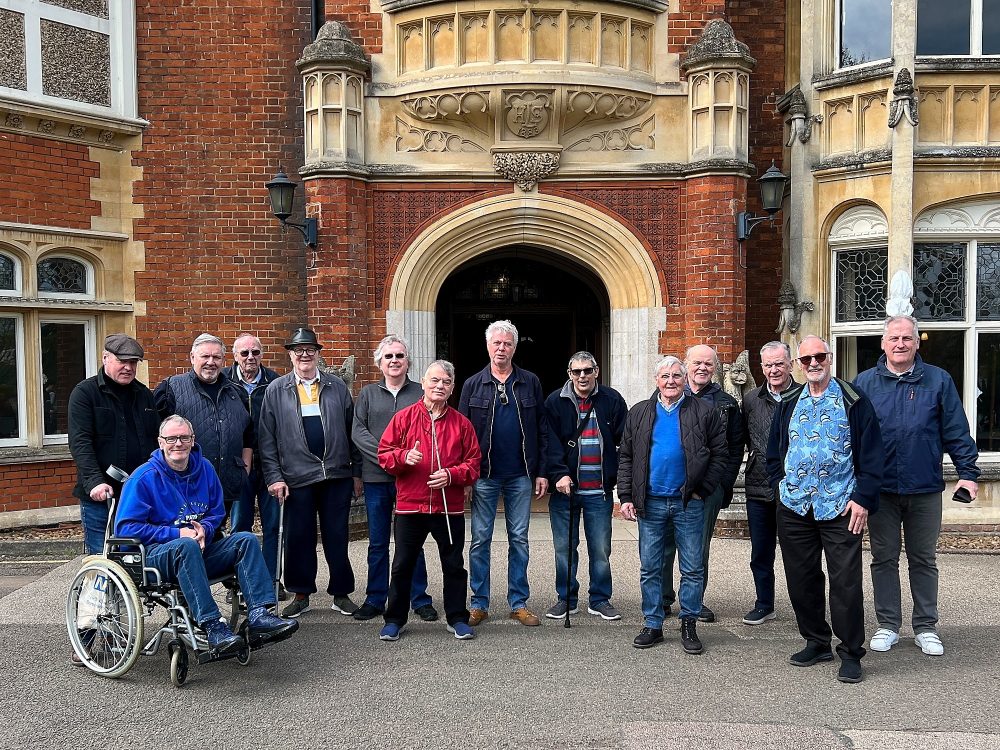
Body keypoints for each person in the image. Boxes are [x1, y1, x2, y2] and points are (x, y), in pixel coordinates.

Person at [114, 415, 298, 655]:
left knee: (245, 540)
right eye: (171, 439)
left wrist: (206, 529)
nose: (178, 443)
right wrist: (177, 532)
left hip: (196, 550)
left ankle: (259, 615)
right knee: (184, 545)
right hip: (154, 557)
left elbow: (216, 512)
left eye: (183, 438)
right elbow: (126, 528)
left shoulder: (205, 469)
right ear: (160, 442)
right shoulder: (143, 479)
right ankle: (213, 626)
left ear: (193, 440)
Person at [854, 315, 979, 657]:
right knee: (883, 558)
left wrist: (968, 471)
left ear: (917, 343)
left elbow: (956, 430)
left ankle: (925, 626)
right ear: (882, 343)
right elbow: (851, 439)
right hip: (881, 492)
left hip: (924, 488)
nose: (900, 344)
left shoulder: (938, 381)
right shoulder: (864, 384)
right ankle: (888, 625)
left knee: (923, 559)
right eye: (893, 338)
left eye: (907, 338)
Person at [766, 335, 883, 684]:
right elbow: (774, 451)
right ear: (797, 365)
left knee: (845, 582)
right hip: (795, 506)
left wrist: (863, 498)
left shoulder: (853, 400)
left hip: (840, 505)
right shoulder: (789, 401)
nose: (813, 363)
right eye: (806, 359)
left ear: (829, 358)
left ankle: (850, 652)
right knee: (801, 580)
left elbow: (873, 454)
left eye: (819, 356)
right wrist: (779, 486)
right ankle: (816, 641)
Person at [618, 356, 727, 654]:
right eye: (665, 376)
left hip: (687, 502)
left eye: (676, 376)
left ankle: (688, 622)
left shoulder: (704, 412)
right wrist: (626, 496)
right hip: (650, 503)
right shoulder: (639, 412)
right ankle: (653, 623)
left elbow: (720, 455)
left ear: (684, 379)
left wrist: (701, 490)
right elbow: (627, 456)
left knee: (692, 568)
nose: (670, 381)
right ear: (656, 380)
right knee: (650, 567)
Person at [258, 328, 362, 618]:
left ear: (318, 354)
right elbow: (267, 440)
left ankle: (341, 593)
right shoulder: (276, 390)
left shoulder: (336, 387)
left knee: (338, 536)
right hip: (296, 477)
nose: (305, 355)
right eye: (299, 350)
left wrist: (356, 473)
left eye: (310, 350)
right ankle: (301, 593)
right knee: (298, 538)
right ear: (290, 355)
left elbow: (352, 430)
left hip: (336, 475)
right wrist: (274, 477)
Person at [377, 360, 481, 641]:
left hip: (449, 507)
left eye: (446, 382)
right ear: (422, 383)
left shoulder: (462, 423)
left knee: (454, 565)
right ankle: (395, 619)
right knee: (402, 566)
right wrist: (403, 457)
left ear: (452, 388)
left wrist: (451, 474)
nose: (440, 386)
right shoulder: (403, 418)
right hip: (411, 505)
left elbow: (474, 464)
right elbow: (384, 454)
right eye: (435, 380)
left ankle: (457, 618)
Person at [459, 320, 549, 627]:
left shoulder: (530, 382)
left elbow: (541, 429)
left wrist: (541, 471)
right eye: (497, 343)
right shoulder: (473, 384)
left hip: (521, 474)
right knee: (480, 540)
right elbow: (463, 435)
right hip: (483, 475)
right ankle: (479, 603)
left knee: (519, 539)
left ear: (514, 347)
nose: (502, 348)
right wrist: (467, 476)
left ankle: (518, 603)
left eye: (507, 343)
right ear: (487, 346)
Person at [352, 335, 438, 622]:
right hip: (377, 478)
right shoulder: (367, 394)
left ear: (408, 361)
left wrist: (403, 461)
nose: (394, 361)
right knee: (377, 541)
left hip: (411, 479)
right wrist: (388, 457)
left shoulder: (419, 393)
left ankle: (419, 598)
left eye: (399, 356)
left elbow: (429, 432)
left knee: (411, 542)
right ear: (379, 362)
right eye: (388, 356)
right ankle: (376, 598)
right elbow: (358, 432)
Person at [659, 344, 744, 623]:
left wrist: (720, 485)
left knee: (697, 547)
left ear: (715, 368)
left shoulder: (726, 404)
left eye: (708, 363)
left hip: (707, 489)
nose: (702, 368)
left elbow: (734, 449)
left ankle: (693, 601)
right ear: (686, 365)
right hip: (670, 485)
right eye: (697, 363)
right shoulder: (667, 395)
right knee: (665, 545)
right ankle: (662, 598)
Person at [543, 351, 627, 621]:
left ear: (596, 371)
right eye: (576, 371)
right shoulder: (555, 401)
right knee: (564, 547)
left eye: (587, 371)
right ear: (569, 373)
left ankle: (600, 599)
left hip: (599, 490)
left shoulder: (612, 400)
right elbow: (549, 442)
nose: (582, 376)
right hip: (565, 490)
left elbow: (624, 441)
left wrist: (616, 476)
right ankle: (566, 598)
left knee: (600, 548)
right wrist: (558, 475)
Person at [68, 334, 160, 555]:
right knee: (102, 558)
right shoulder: (85, 393)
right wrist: (95, 482)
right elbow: (80, 442)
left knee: (139, 559)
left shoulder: (145, 395)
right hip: (103, 496)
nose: (128, 367)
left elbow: (156, 442)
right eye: (122, 361)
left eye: (133, 362)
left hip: (139, 495)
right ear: (105, 358)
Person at [154, 333, 253, 518]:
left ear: (224, 359)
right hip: (183, 485)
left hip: (226, 485)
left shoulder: (237, 392)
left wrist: (243, 472)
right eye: (205, 356)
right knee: (188, 536)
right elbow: (155, 436)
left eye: (216, 357)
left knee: (216, 536)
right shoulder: (171, 388)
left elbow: (248, 436)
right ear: (192, 358)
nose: (211, 362)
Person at [739, 341, 795, 626]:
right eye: (768, 365)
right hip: (759, 486)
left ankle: (805, 606)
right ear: (761, 368)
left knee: (798, 552)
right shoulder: (750, 400)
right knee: (761, 551)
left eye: (779, 364)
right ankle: (764, 603)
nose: (774, 370)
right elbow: (744, 439)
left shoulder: (803, 396)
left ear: (790, 364)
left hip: (795, 489)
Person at [225, 332, 284, 597]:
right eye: (244, 353)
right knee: (239, 526)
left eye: (255, 352)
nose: (250, 358)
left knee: (273, 526)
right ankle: (239, 582)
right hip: (238, 466)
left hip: (272, 464)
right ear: (235, 356)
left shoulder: (277, 382)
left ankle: (271, 581)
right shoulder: (224, 381)